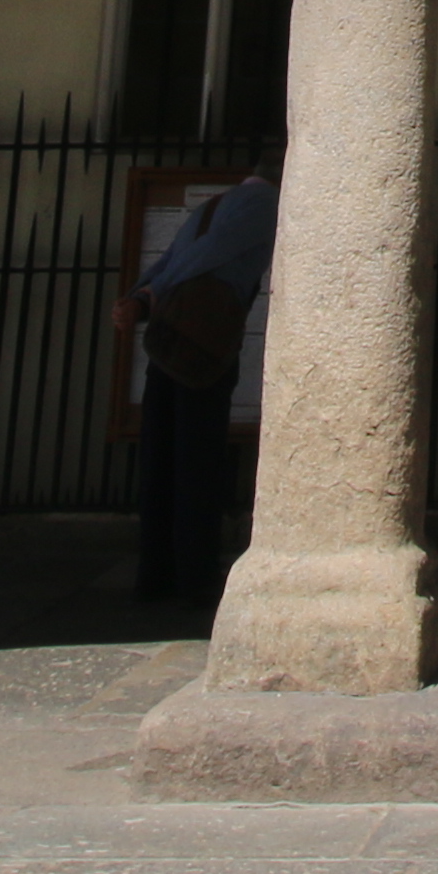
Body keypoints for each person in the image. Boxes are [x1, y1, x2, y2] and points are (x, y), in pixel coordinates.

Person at [124, 168, 274, 607]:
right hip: (203, 338)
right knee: (197, 457)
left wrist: (142, 296)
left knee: (160, 455)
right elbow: (208, 254)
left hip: (169, 336)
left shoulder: (212, 205)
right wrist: (153, 294)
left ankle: (154, 571)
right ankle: (193, 571)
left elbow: (171, 256)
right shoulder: (262, 205)